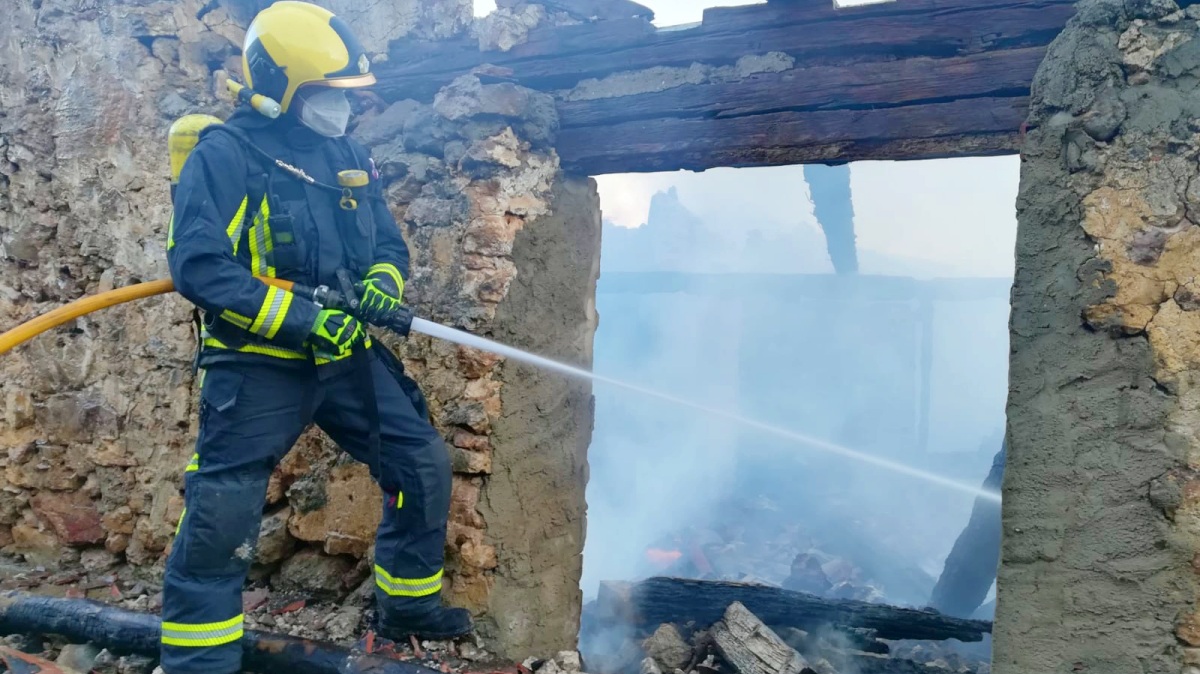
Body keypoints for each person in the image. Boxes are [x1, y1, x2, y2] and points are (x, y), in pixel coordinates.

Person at [161, 2, 470, 672]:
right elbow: (199, 267)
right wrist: (302, 318)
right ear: (279, 86)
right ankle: (198, 660)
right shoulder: (225, 154)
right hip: (259, 363)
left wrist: (383, 281)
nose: (343, 110)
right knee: (224, 510)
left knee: (420, 465)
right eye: (329, 95)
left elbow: (385, 241)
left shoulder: (346, 154)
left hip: (344, 353)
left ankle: (407, 607)